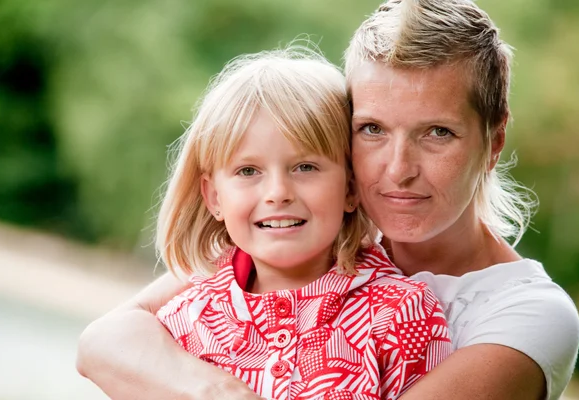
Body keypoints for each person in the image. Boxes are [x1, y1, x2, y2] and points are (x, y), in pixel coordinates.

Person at [76, 1, 579, 399]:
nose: (398, 170)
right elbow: (106, 341)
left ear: (493, 141)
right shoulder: (298, 238)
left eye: (437, 132)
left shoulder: (528, 314)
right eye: (372, 129)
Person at [131, 47, 452, 399]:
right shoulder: (184, 319)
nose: (277, 193)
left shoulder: (401, 315)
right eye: (248, 171)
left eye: (305, 167)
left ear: (349, 187)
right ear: (215, 197)